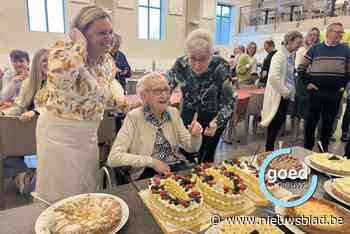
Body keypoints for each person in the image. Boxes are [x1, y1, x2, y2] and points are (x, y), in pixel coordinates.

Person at [35, 5, 131, 203]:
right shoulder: (63, 52)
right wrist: (79, 44)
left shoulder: (107, 62)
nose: (109, 38)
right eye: (101, 33)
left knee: (83, 187)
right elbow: (62, 81)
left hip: (87, 135)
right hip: (58, 134)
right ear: (83, 34)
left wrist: (128, 105)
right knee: (60, 192)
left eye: (110, 32)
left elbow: (102, 96)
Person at [107, 73, 202, 180]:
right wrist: (152, 162)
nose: (164, 95)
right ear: (143, 96)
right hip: (146, 171)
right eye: (157, 91)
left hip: (177, 166)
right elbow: (114, 157)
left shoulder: (173, 113)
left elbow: (192, 148)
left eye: (166, 90)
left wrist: (195, 136)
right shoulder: (134, 117)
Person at [167, 29, 234, 163]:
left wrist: (217, 122)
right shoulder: (181, 64)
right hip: (188, 115)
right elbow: (164, 89)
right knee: (185, 155)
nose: (197, 66)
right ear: (187, 54)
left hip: (213, 118)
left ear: (211, 54)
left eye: (203, 59)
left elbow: (228, 103)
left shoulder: (220, 66)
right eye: (193, 59)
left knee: (206, 157)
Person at [1, 49, 49, 195]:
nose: (49, 64)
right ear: (36, 64)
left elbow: (53, 107)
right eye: (45, 60)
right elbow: (20, 106)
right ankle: (21, 174)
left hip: (44, 130)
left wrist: (35, 112)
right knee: (5, 146)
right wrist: (5, 113)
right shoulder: (28, 83)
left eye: (52, 60)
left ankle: (23, 174)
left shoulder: (58, 83)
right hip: (26, 129)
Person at [298, 22, 350, 152]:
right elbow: (301, 69)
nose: (340, 35)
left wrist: (342, 85)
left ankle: (323, 150)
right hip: (315, 92)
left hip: (334, 93)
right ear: (328, 33)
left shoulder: (346, 50)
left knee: (328, 123)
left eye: (341, 32)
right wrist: (307, 83)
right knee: (311, 121)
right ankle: (307, 148)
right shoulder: (315, 49)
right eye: (337, 32)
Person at [261, 31, 303, 151]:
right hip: (279, 96)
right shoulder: (280, 55)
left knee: (277, 124)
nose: (299, 46)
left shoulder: (290, 55)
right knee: (274, 125)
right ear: (289, 41)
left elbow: (288, 76)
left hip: (284, 96)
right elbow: (273, 77)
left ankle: (269, 150)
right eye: (298, 42)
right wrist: (285, 92)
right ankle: (268, 151)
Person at [293, 27, 320, 140]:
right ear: (307, 36)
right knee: (298, 109)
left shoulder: (319, 50)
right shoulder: (301, 50)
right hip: (301, 81)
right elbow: (298, 67)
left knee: (310, 110)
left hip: (314, 81)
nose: (313, 37)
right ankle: (295, 135)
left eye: (316, 35)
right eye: (311, 34)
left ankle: (306, 135)